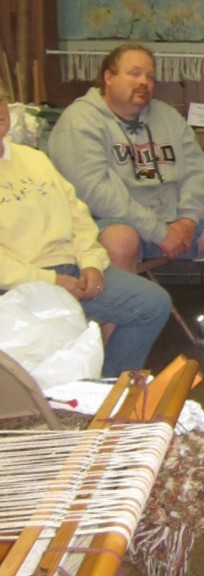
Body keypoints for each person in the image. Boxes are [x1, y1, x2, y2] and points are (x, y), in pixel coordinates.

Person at [47, 44, 204, 360]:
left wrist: (187, 221)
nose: (144, 82)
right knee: (121, 240)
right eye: (134, 73)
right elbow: (98, 194)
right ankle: (112, 353)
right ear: (108, 77)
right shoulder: (79, 121)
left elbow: (197, 171)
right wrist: (159, 232)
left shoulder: (166, 116)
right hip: (107, 223)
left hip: (169, 221)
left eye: (150, 77)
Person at [0, 93, 171, 377]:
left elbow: (77, 217)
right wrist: (52, 281)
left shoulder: (34, 159)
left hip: (72, 267)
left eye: (0, 100)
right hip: (19, 284)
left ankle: (110, 387)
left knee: (152, 304)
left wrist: (91, 263)